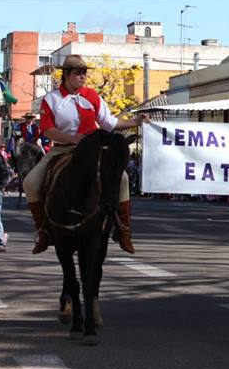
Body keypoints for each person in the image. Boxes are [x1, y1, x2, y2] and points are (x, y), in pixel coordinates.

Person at [22, 54, 149, 254]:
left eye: (84, 73)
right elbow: (46, 129)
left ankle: (124, 230)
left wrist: (136, 122)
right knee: (30, 182)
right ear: (66, 75)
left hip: (92, 151)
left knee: (122, 178)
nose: (82, 77)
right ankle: (44, 232)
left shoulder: (92, 96)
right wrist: (72, 139)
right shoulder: (52, 98)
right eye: (78, 73)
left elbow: (111, 123)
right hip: (61, 149)